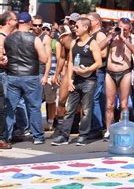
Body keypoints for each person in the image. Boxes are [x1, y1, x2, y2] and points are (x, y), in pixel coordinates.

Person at [51, 17, 102, 146]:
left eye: (77, 26)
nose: (75, 28)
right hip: (76, 80)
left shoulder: (92, 43)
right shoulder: (74, 43)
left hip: (88, 80)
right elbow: (71, 62)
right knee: (70, 109)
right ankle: (64, 136)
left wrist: (87, 70)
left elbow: (98, 62)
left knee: (85, 109)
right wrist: (70, 80)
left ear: (86, 27)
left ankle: (83, 135)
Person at [4, 12, 48, 145]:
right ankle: (38, 137)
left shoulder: (9, 38)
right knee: (34, 107)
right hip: (31, 76)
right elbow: (44, 59)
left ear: (18, 22)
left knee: (10, 107)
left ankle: (7, 136)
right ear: (29, 23)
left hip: (12, 75)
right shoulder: (34, 39)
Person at [101, 18, 134, 138]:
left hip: (125, 72)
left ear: (130, 29)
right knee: (109, 105)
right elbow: (97, 48)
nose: (123, 31)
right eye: (120, 28)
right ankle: (108, 129)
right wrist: (109, 37)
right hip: (110, 73)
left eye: (125, 29)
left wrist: (125, 40)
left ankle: (124, 127)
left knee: (123, 104)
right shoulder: (112, 38)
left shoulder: (133, 39)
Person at [87, 12, 108, 139]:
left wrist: (91, 53)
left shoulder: (100, 34)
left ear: (96, 22)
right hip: (93, 70)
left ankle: (96, 127)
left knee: (94, 98)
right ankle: (98, 125)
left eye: (89, 20)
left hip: (99, 70)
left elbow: (104, 53)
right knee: (98, 99)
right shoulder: (91, 34)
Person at [0, 11, 17, 149]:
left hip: (6, 73)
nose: (17, 21)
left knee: (5, 106)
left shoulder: (8, 36)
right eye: (15, 19)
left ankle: (6, 135)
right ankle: (3, 137)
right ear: (8, 21)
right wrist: (4, 60)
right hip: (2, 74)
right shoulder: (1, 38)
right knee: (3, 106)